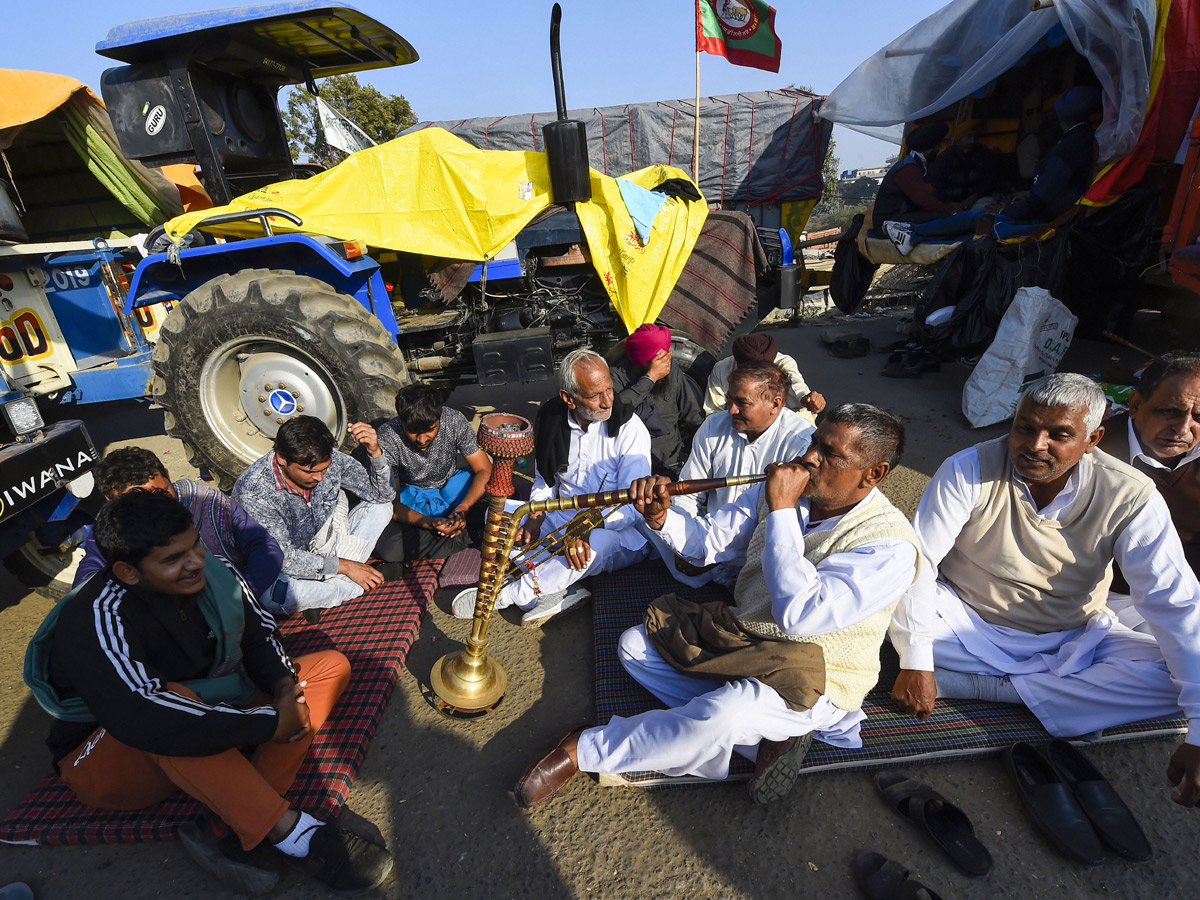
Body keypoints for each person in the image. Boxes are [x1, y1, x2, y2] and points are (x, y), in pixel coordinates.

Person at [512, 404, 918, 808]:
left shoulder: (888, 545)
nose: (810, 457)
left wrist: (781, 511)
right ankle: (766, 738)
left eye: (831, 455)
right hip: (750, 637)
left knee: (725, 715)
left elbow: (800, 617)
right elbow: (709, 545)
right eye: (814, 442)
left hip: (817, 676)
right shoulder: (785, 492)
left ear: (874, 474)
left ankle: (584, 748)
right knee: (635, 647)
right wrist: (661, 517)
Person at [24, 490, 392, 895]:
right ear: (129, 572)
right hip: (110, 759)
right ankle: (291, 831)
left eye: (194, 544)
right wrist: (270, 722)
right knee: (170, 704)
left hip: (206, 703)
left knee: (326, 669)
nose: (195, 561)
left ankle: (225, 819)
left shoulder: (213, 569)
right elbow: (143, 714)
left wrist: (285, 691)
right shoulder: (97, 614)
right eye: (172, 559)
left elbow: (260, 636)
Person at [889, 374, 1200, 808]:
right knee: (883, 598)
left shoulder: (1131, 495)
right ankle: (1057, 699)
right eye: (1025, 427)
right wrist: (917, 662)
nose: (1035, 444)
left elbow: (1176, 603)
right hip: (962, 625)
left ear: (1093, 439)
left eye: (1059, 434)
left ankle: (982, 688)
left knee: (1178, 682)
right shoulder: (969, 467)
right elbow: (918, 568)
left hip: (1072, 638)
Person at [451, 349, 652, 628]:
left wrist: (583, 529)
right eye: (595, 395)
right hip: (560, 515)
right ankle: (554, 587)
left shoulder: (629, 429)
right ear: (568, 398)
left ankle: (508, 592)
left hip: (613, 530)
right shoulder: (550, 419)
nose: (608, 401)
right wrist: (535, 516)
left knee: (591, 548)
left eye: (609, 389)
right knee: (497, 515)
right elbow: (544, 481)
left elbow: (631, 506)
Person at [649, 362, 815, 588]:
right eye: (729, 399)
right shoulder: (714, 426)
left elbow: (786, 525)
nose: (730, 410)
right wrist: (686, 545)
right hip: (705, 542)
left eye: (742, 403)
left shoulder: (801, 444)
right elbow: (689, 492)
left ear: (775, 405)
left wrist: (715, 553)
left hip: (757, 558)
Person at [233, 416, 394, 619]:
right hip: (287, 565)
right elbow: (283, 558)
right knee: (273, 596)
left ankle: (321, 595)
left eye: (324, 469)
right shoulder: (254, 493)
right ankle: (348, 589)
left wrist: (375, 451)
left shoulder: (327, 459)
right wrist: (346, 567)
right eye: (309, 472)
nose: (319, 477)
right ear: (282, 458)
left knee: (383, 508)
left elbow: (382, 495)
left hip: (327, 543)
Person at [73, 447, 282, 599]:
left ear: (167, 475)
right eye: (139, 500)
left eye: (161, 492)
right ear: (113, 501)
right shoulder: (115, 528)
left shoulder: (207, 501)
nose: (157, 505)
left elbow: (265, 547)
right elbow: (88, 581)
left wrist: (242, 595)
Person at [1099, 356, 1200, 625]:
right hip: (1109, 598)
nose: (1182, 429)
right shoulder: (1092, 452)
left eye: (1198, 416)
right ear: (1135, 405)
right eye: (1169, 411)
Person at [357, 383, 492, 564]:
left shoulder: (453, 420)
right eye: (413, 432)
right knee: (388, 547)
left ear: (439, 417)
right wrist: (429, 523)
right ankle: (470, 535)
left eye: (430, 429)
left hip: (452, 489)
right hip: (414, 501)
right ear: (401, 421)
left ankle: (450, 534)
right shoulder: (388, 436)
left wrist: (463, 508)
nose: (421, 440)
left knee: (499, 493)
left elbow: (484, 470)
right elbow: (393, 504)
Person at [609, 323, 704, 477]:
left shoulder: (670, 369)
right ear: (643, 359)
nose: (666, 360)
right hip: (633, 469)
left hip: (673, 463)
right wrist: (650, 378)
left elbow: (692, 416)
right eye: (659, 357)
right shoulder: (616, 378)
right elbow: (615, 413)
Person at [999, 86, 1100, 224]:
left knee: (969, 218)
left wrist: (1002, 210)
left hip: (1053, 221)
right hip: (1061, 212)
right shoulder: (1089, 136)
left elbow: (1037, 202)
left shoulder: (1065, 150)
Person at [703, 333, 825, 419]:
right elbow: (714, 413)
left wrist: (807, 398)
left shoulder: (784, 363)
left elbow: (797, 385)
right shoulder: (722, 368)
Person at [872, 120, 953, 234]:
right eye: (938, 146)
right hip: (891, 221)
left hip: (901, 216)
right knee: (944, 219)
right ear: (931, 148)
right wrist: (951, 211)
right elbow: (923, 200)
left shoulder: (917, 164)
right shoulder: (908, 167)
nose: (939, 149)